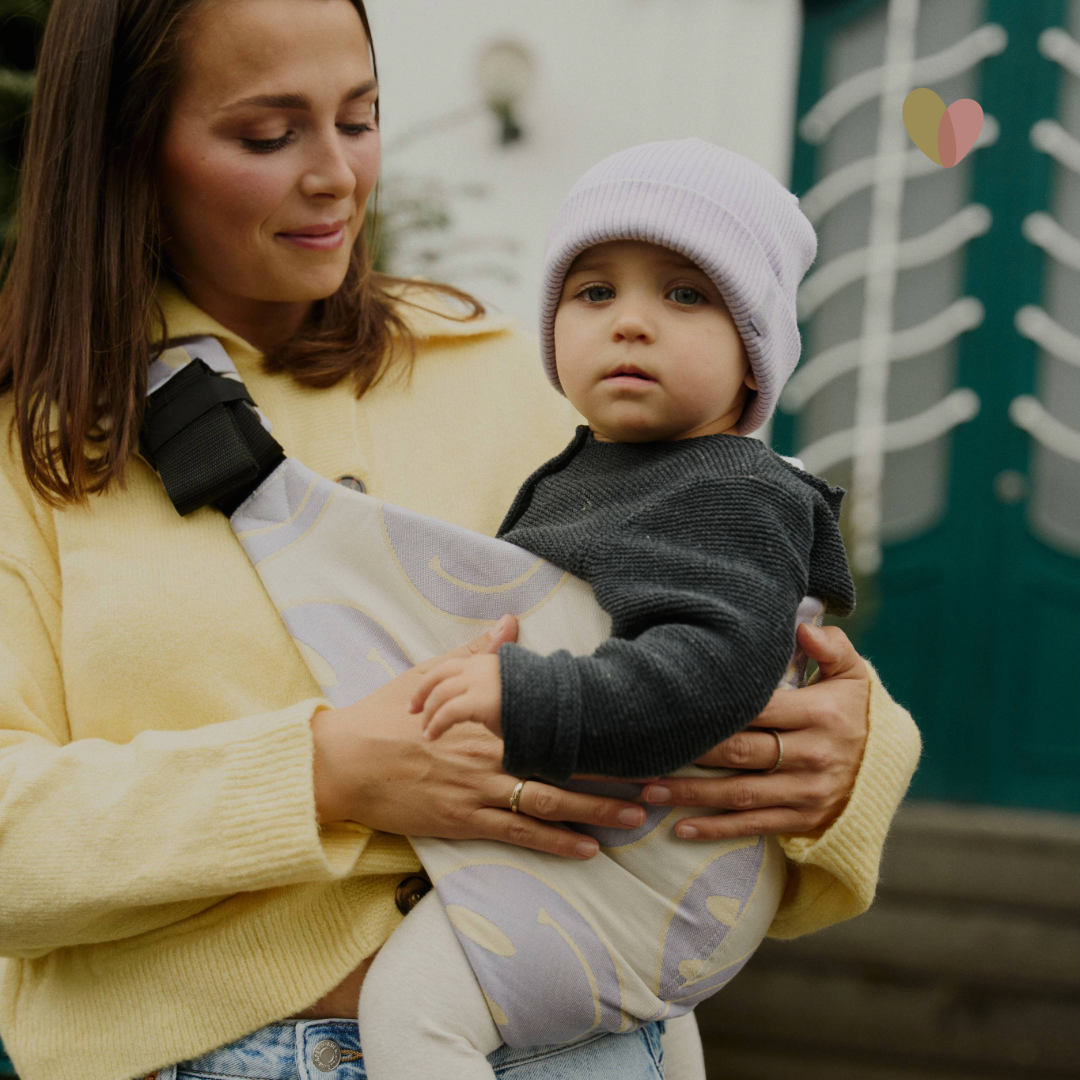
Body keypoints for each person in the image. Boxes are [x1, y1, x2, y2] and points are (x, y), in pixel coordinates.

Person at [0, 1, 921, 1079]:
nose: (337, 176)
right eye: (268, 134)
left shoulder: (521, 377)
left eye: (361, 117)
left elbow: (728, 623)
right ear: (126, 148)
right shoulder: (29, 455)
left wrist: (853, 761)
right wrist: (325, 774)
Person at [354, 139, 854, 1080]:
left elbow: (714, 674)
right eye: (595, 293)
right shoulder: (606, 474)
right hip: (608, 855)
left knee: (415, 1016)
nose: (631, 323)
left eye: (685, 295)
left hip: (649, 866)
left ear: (757, 359)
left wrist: (526, 696)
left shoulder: (734, 493)